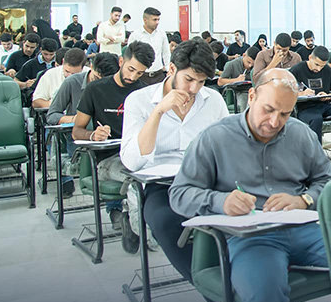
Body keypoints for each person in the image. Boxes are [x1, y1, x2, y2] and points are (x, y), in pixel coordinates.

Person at [169, 69, 331, 302]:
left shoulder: (301, 134)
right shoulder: (215, 138)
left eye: (285, 114)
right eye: (268, 110)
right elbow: (179, 194)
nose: (275, 121)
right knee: (264, 296)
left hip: (305, 229)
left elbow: (328, 181)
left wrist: (304, 199)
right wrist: (221, 201)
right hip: (251, 239)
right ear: (251, 96)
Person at [120, 39, 229, 260]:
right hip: (160, 186)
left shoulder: (213, 100)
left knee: (232, 219)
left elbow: (228, 146)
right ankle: (206, 278)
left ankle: (222, 274)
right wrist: (158, 112)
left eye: (201, 82)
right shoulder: (139, 101)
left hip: (204, 181)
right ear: (172, 69)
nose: (194, 89)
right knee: (166, 223)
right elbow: (132, 162)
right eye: (189, 79)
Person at [71, 41, 155, 227]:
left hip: (138, 156)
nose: (132, 77)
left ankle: (139, 224)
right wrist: (93, 135)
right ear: (121, 62)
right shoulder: (95, 89)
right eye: (131, 69)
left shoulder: (144, 93)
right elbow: (76, 131)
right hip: (108, 160)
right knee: (137, 181)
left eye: (139, 73)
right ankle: (141, 232)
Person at [48, 52, 121, 198]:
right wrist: (74, 119)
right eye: (97, 78)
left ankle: (115, 207)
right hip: (79, 142)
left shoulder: (114, 86)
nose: (100, 84)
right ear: (91, 67)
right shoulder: (72, 82)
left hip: (109, 142)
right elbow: (52, 115)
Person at [289, 46, 331, 143]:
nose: (318, 69)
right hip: (305, 107)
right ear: (310, 57)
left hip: (324, 104)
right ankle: (316, 148)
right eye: (317, 64)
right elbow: (284, 93)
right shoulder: (298, 70)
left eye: (322, 66)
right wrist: (301, 93)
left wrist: (329, 95)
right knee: (316, 119)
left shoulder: (327, 70)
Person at [128, 7, 172, 86]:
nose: (157, 22)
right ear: (145, 20)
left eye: (158, 20)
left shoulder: (162, 34)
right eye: (154, 20)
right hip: (142, 76)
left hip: (158, 75)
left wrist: (168, 70)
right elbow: (130, 56)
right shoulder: (135, 35)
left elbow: (166, 53)